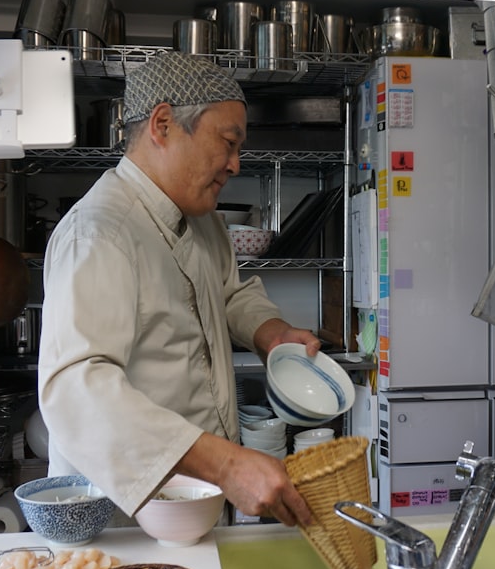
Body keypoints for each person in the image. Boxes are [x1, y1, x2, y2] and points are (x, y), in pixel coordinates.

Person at [38, 50, 317, 527]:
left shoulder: (199, 218)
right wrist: (225, 463)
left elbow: (228, 292)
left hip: (196, 500)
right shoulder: (101, 233)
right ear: (163, 125)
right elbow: (77, 390)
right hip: (130, 515)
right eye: (228, 142)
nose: (235, 164)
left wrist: (269, 331)